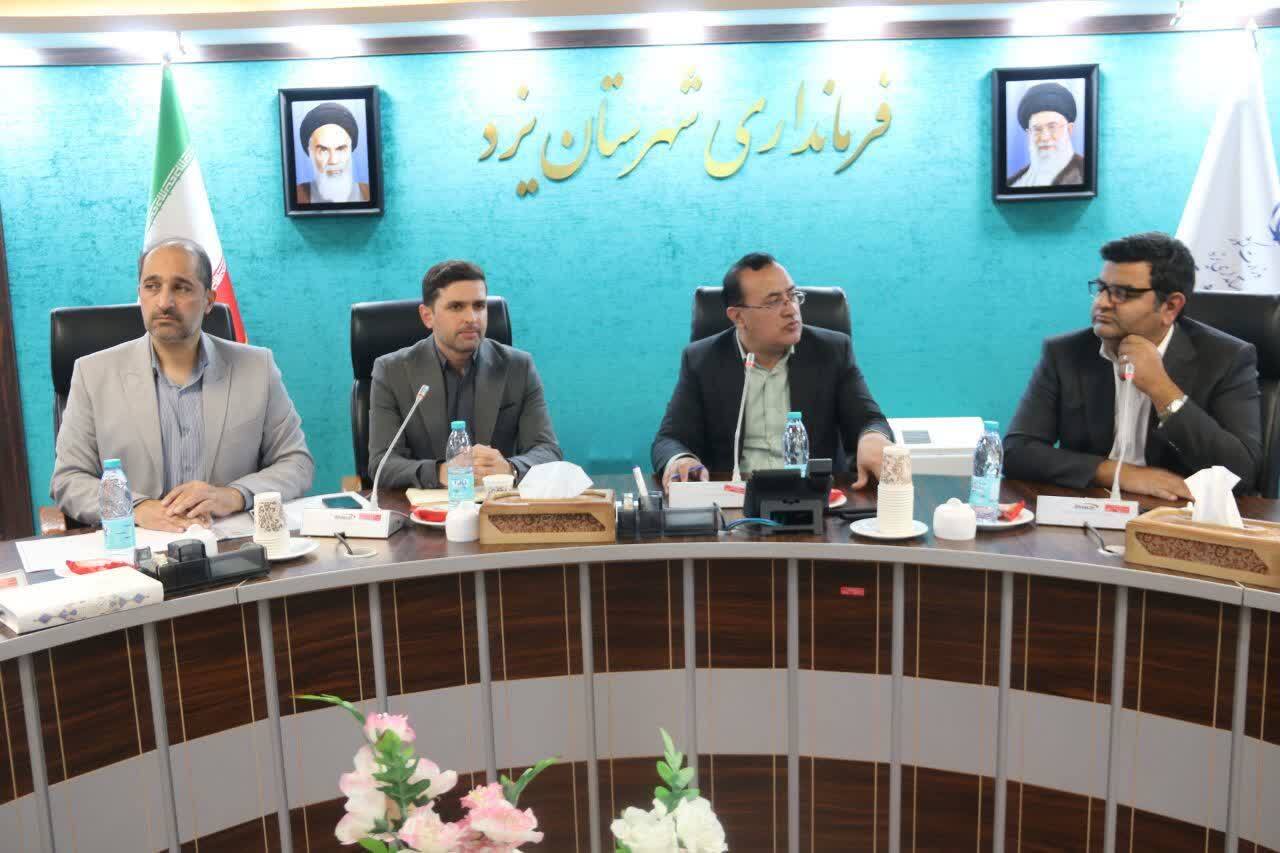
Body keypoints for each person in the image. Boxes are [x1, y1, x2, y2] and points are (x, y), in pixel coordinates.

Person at [51, 238, 315, 529]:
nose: (164, 302)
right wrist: (134, 508)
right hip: (136, 542)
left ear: (209, 300)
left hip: (229, 541)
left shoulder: (257, 368)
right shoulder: (93, 374)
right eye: (152, 286)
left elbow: (296, 463)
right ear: (140, 293)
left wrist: (233, 495)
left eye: (181, 287)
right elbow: (68, 479)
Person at [1005, 232, 1262, 499]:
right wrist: (1121, 473)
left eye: (1122, 294)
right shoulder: (1065, 353)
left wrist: (1162, 389)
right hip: (1090, 504)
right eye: (1101, 288)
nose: (1102, 303)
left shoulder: (1226, 358)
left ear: (1170, 307)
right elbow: (1016, 452)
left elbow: (1242, 474)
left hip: (1178, 511)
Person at [651, 252, 893, 492]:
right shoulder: (702, 360)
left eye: (793, 295)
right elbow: (670, 439)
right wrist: (681, 460)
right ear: (738, 317)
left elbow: (869, 420)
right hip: (735, 499)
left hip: (816, 497)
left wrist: (872, 437)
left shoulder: (832, 351)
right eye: (774, 301)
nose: (791, 310)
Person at [368, 260, 561, 488]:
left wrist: (510, 468)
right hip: (426, 504)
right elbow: (382, 463)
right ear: (427, 316)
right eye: (456, 307)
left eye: (479, 306)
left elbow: (548, 451)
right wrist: (442, 472)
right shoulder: (392, 371)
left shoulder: (518, 367)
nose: (472, 318)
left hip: (496, 500)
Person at [1007, 81, 1085, 188]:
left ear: (1069, 129)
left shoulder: (1085, 173)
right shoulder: (1013, 183)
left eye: (1052, 127)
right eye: (1037, 129)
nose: (1044, 137)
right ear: (1029, 134)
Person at [296, 101, 370, 204]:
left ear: (351, 149)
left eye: (340, 149)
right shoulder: (297, 196)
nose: (333, 161)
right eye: (323, 150)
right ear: (310, 152)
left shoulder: (369, 193)